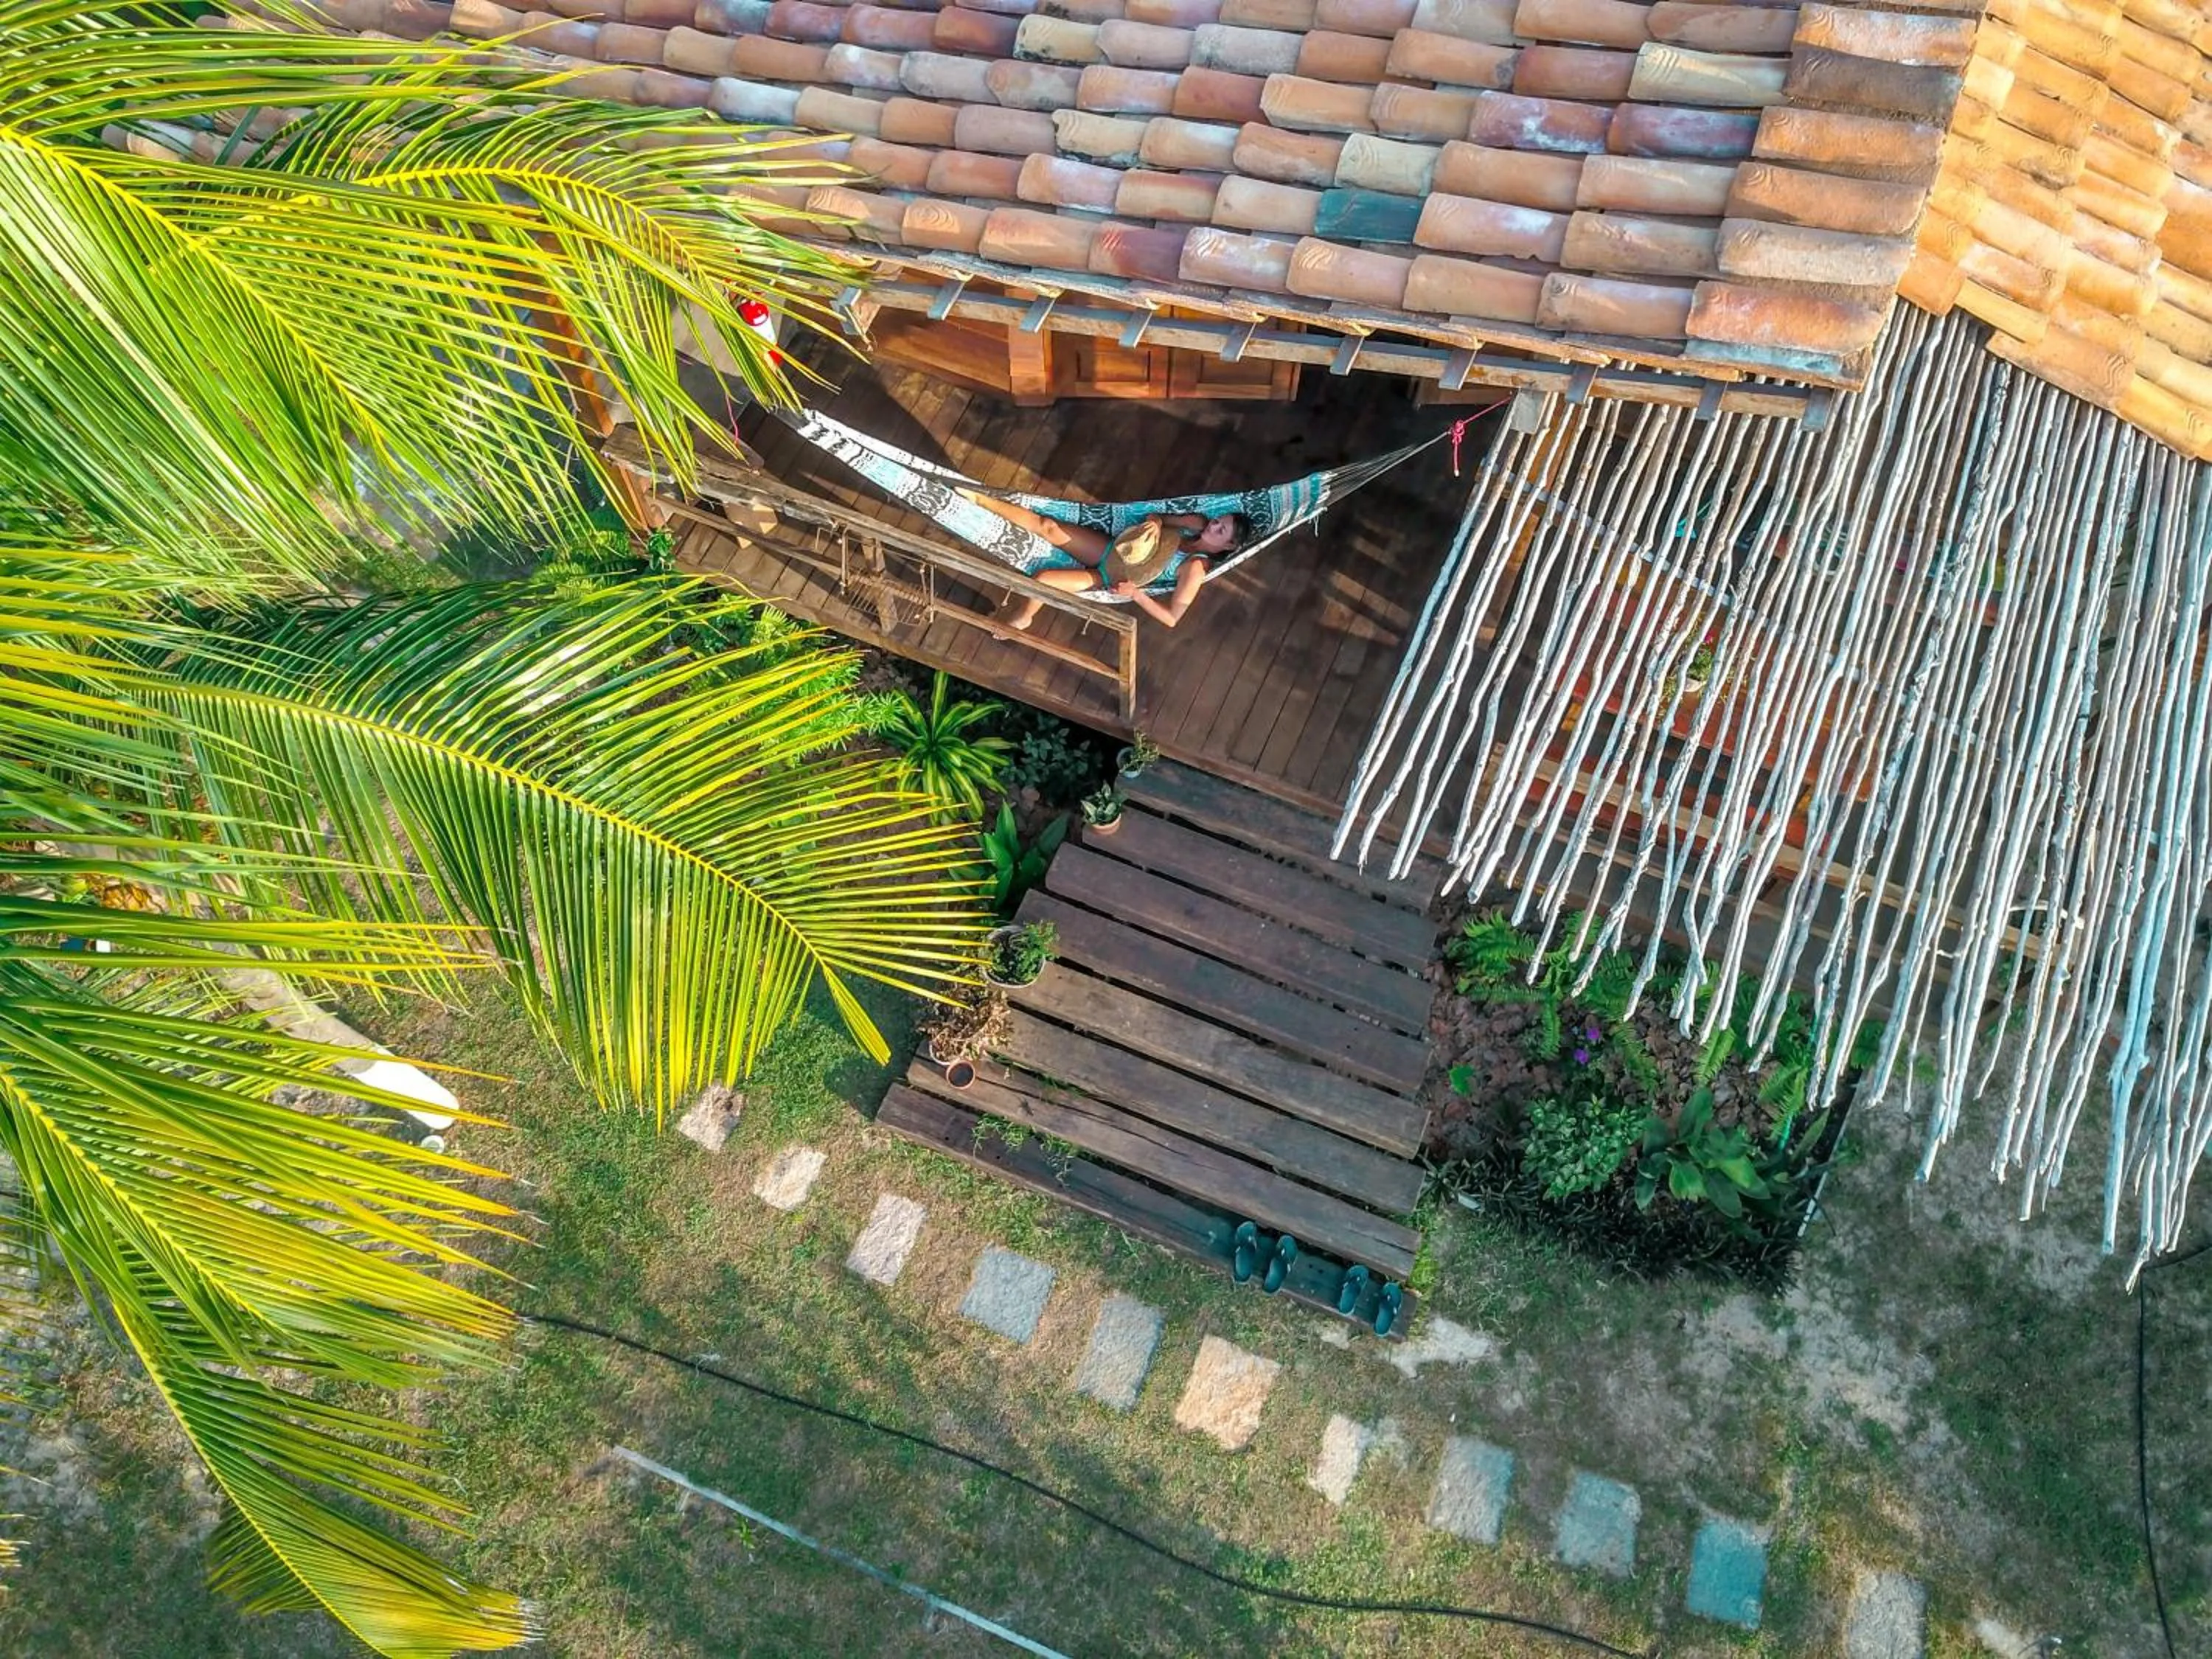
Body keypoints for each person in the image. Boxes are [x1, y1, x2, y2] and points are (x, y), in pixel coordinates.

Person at [957, 489, 1249, 630]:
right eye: (1219, 521)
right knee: (1048, 526)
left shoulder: (1196, 568)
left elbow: (1172, 619)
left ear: (1230, 545)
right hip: (1112, 550)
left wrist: (1135, 594)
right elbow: (1156, 515)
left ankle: (1024, 617)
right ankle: (982, 500)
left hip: (1112, 578)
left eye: (1222, 530)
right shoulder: (1195, 522)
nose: (1215, 526)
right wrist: (1156, 524)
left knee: (1044, 580)